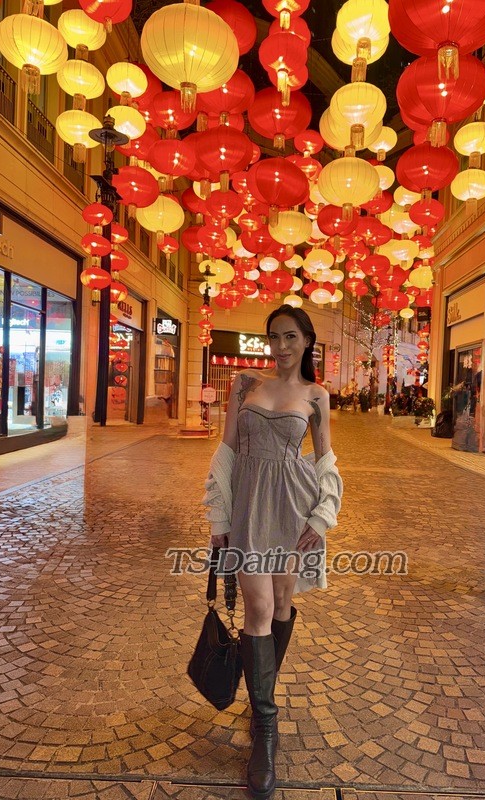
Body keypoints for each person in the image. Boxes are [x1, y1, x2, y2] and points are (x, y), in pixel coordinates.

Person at [202, 306, 343, 799]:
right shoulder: (245, 385)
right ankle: (266, 726)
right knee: (259, 607)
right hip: (248, 507)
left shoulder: (317, 395)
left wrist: (321, 517)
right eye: (274, 337)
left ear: (306, 341)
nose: (280, 346)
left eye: (290, 337)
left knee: (281, 604)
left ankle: (262, 692)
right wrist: (219, 518)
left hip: (293, 508)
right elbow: (226, 451)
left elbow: (324, 459)